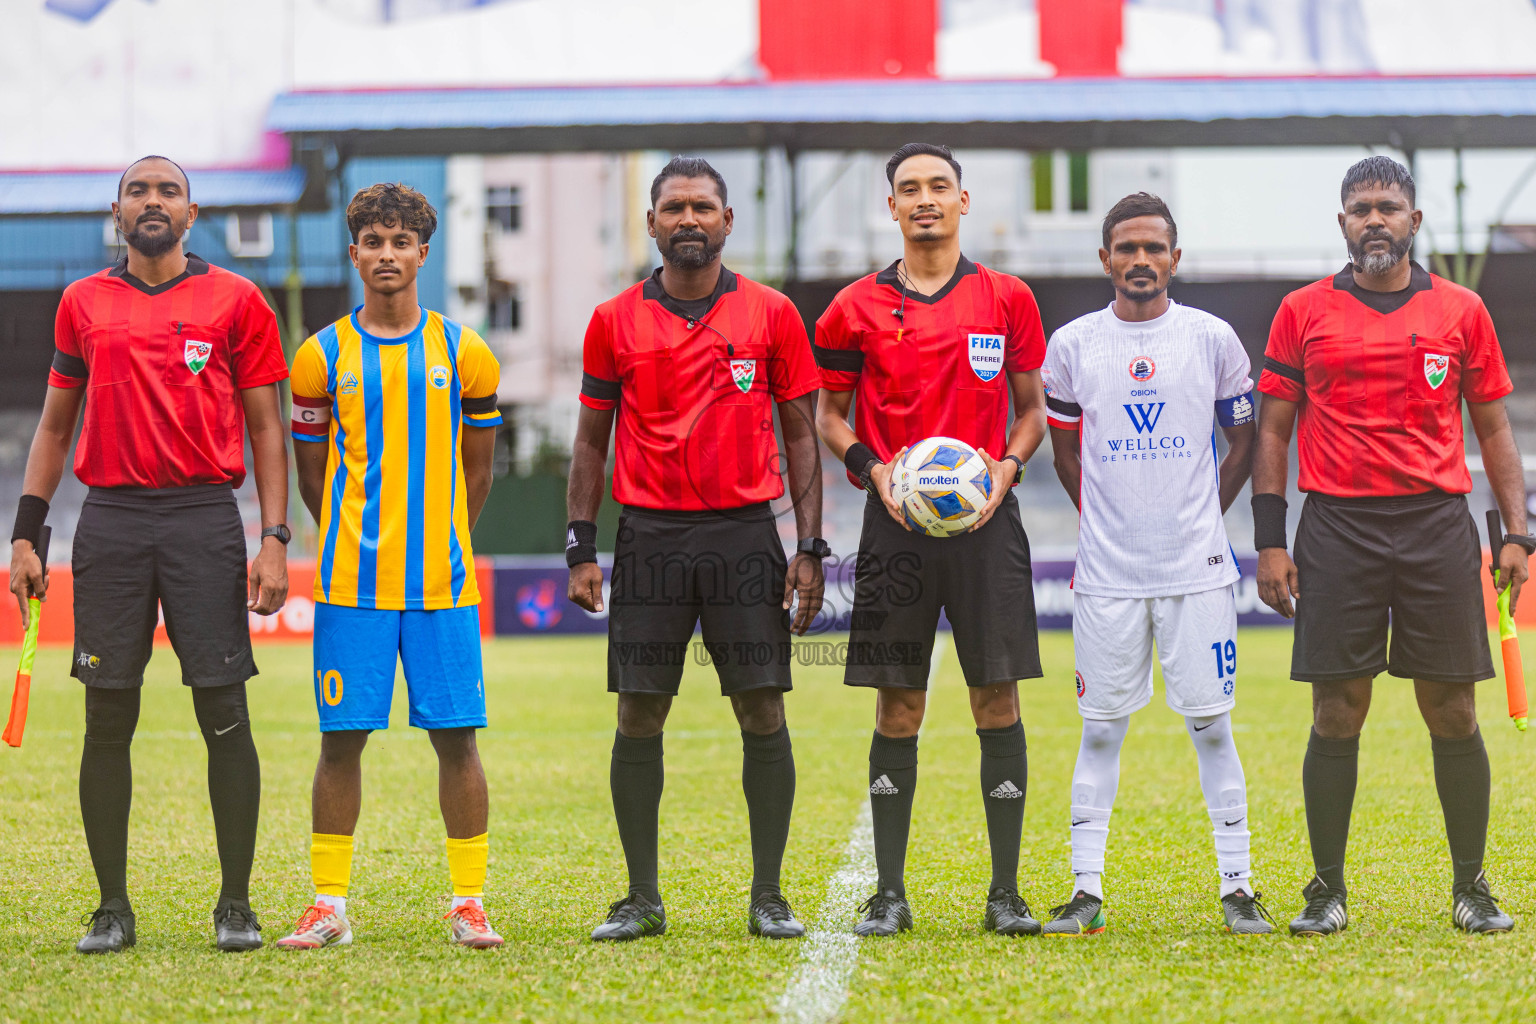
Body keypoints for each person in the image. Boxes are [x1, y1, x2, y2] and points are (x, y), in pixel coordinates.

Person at [9, 155, 290, 953]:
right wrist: (26, 534)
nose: (154, 202)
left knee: (224, 712)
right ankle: (112, 909)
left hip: (205, 517)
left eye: (168, 191)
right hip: (112, 523)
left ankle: (235, 906)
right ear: (117, 211)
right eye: (140, 191)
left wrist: (273, 538)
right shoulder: (82, 304)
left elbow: (266, 427)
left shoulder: (237, 299)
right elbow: (56, 427)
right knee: (108, 717)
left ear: (192, 214)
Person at [1254, 156, 1527, 936]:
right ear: (1341, 223)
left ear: (1414, 220)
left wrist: (1517, 531)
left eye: (1389, 206)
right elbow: (1274, 429)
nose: (1375, 219)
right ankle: (1326, 890)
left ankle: (1471, 887)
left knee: (1452, 708)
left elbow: (1495, 425)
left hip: (1437, 523)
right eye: (1360, 208)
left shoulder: (1462, 310)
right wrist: (1271, 542)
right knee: (1338, 707)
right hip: (1337, 526)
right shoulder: (1302, 310)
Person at [567, 156, 826, 942]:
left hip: (745, 533)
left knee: (762, 708)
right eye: (673, 207)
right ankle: (641, 897)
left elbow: (802, 436)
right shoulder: (614, 319)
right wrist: (581, 545)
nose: (688, 218)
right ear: (650, 224)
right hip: (649, 537)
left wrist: (809, 546)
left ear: (726, 221)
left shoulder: (772, 313)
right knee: (640, 712)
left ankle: (769, 896)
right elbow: (588, 442)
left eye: (702, 207)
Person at [814, 143, 1048, 937]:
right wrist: (874, 470)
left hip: (988, 526)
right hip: (895, 527)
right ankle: (888, 892)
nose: (924, 200)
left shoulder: (1006, 298)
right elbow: (829, 415)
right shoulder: (852, 308)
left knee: (996, 698)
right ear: (891, 207)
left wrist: (1006, 470)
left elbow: (1032, 413)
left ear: (963, 201)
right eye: (908, 189)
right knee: (899, 704)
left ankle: (1006, 892)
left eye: (938, 187)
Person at [275, 183, 505, 950]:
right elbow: (313, 477)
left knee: (458, 739)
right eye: (372, 242)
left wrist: (442, 538)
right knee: (341, 741)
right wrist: (351, 538)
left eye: (400, 242)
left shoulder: (465, 353)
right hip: (350, 588)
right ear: (354, 253)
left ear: (422, 254)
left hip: (442, 584)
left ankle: (468, 902)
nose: (386, 255)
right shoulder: (319, 356)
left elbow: (479, 474)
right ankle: (329, 905)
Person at [1039, 193, 1270, 935]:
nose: (1141, 261)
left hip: (1197, 569)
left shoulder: (1212, 339)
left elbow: (1245, 441)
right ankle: (1086, 893)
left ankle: (1237, 887)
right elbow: (1065, 452)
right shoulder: (1072, 346)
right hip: (1107, 574)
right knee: (1100, 730)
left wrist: (1206, 509)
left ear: (1176, 257)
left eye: (1154, 249)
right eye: (1126, 249)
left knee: (1211, 726)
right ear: (1104, 258)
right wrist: (1103, 520)